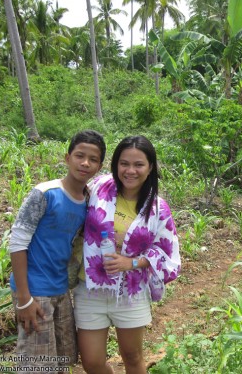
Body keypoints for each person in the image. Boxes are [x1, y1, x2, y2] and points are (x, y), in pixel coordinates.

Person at [74, 135, 181, 374]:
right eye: (124, 163)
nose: (130, 170)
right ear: (115, 165)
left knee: (132, 358)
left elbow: (166, 251)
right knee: (91, 362)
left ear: (150, 167)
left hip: (130, 291)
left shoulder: (157, 208)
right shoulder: (98, 188)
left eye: (138, 164)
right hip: (90, 288)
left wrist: (131, 262)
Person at [9, 130, 106, 373]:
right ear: (67, 158)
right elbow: (17, 242)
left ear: (99, 166)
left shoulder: (87, 200)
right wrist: (24, 298)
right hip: (35, 291)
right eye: (79, 156)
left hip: (61, 289)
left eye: (93, 159)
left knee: (62, 360)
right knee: (37, 364)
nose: (85, 163)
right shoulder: (45, 193)